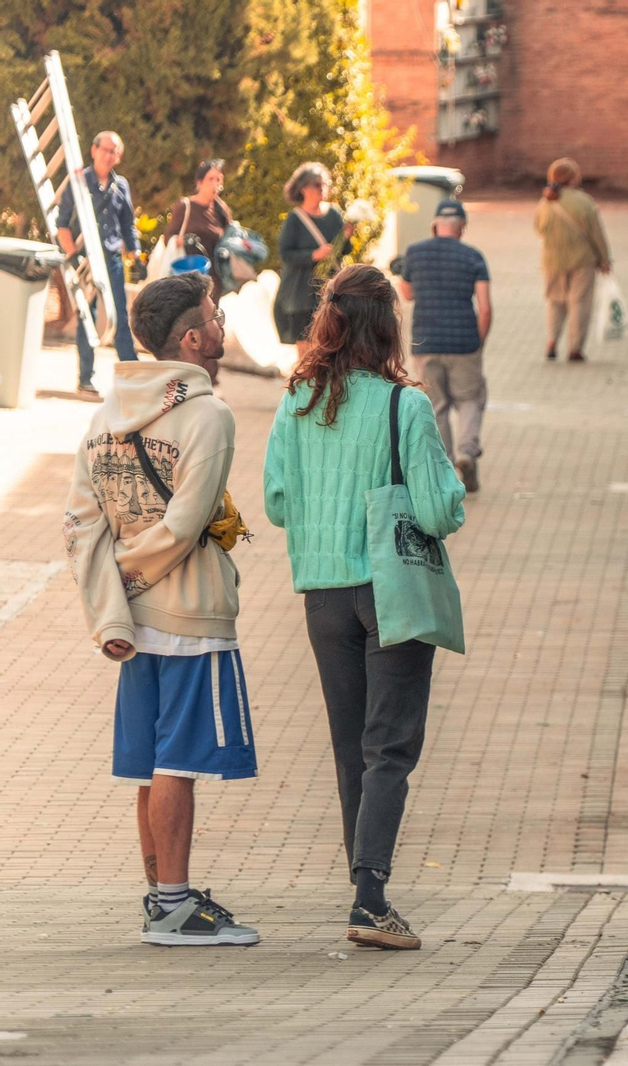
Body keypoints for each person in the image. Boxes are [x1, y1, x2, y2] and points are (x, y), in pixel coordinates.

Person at [262, 264, 465, 951]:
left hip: (323, 595)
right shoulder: (404, 406)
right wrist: (450, 490)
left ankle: (365, 892)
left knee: (353, 747)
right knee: (390, 748)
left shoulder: (297, 400)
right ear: (387, 326)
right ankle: (369, 897)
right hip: (391, 593)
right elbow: (438, 509)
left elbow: (278, 502)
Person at [63, 272, 259, 947]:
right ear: (194, 337)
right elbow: (185, 522)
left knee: (152, 764)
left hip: (136, 623)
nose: (224, 324)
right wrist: (137, 578)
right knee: (178, 761)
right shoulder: (208, 415)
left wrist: (112, 611)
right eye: (215, 314)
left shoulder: (102, 416)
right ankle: (175, 909)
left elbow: (80, 527)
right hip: (191, 614)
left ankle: (163, 900)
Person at [397, 199, 492, 493]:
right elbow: (485, 308)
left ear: (435, 225)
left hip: (425, 340)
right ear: (461, 226)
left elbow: (407, 293)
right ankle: (467, 451)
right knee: (469, 399)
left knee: (436, 405)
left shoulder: (415, 253)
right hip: (464, 340)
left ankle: (447, 468)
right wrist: (478, 343)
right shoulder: (473, 257)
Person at [56, 130, 138, 399]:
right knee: (86, 317)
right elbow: (62, 223)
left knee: (121, 316)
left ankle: (132, 376)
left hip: (112, 259)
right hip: (85, 260)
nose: (108, 155)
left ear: (119, 156)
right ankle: (86, 378)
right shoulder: (79, 180)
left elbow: (127, 224)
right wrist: (72, 256)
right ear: (93, 150)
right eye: (104, 149)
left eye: (114, 151)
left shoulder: (121, 185)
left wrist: (135, 255)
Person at [533, 158, 612, 363]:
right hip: (582, 261)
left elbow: (538, 230)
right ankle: (575, 348)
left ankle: (552, 341)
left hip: (552, 262)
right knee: (580, 303)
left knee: (554, 302)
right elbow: (597, 234)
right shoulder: (584, 201)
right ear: (572, 178)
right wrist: (604, 259)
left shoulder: (545, 202)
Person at [274, 162, 351, 358]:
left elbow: (344, 251)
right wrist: (313, 255)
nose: (322, 188)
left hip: (328, 289)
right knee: (305, 348)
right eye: (317, 184)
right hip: (301, 293)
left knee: (328, 341)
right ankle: (305, 384)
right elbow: (285, 254)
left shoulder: (334, 214)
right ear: (303, 189)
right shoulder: (295, 219)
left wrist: (346, 237)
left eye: (325, 183)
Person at [162, 159, 233, 297]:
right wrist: (182, 241)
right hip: (187, 278)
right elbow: (168, 238)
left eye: (218, 179)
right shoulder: (185, 206)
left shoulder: (222, 210)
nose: (215, 184)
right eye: (210, 179)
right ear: (199, 182)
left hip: (214, 282)